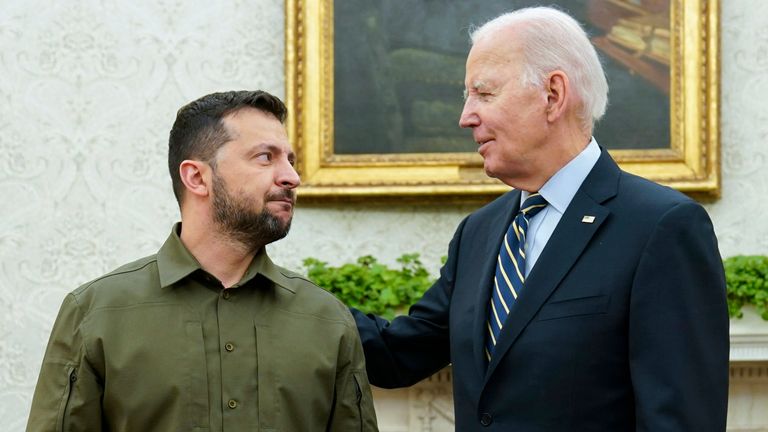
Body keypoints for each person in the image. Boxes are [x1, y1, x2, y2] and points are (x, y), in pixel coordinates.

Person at [352, 7, 729, 431]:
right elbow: (398, 355)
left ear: (553, 94)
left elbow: (680, 420)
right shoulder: (479, 232)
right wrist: (275, 291)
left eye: (484, 93)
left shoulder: (662, 227)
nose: (466, 117)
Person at [27, 90, 378, 431]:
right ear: (197, 177)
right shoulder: (95, 313)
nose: (292, 177)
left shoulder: (328, 320)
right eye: (265, 157)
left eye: (290, 159)